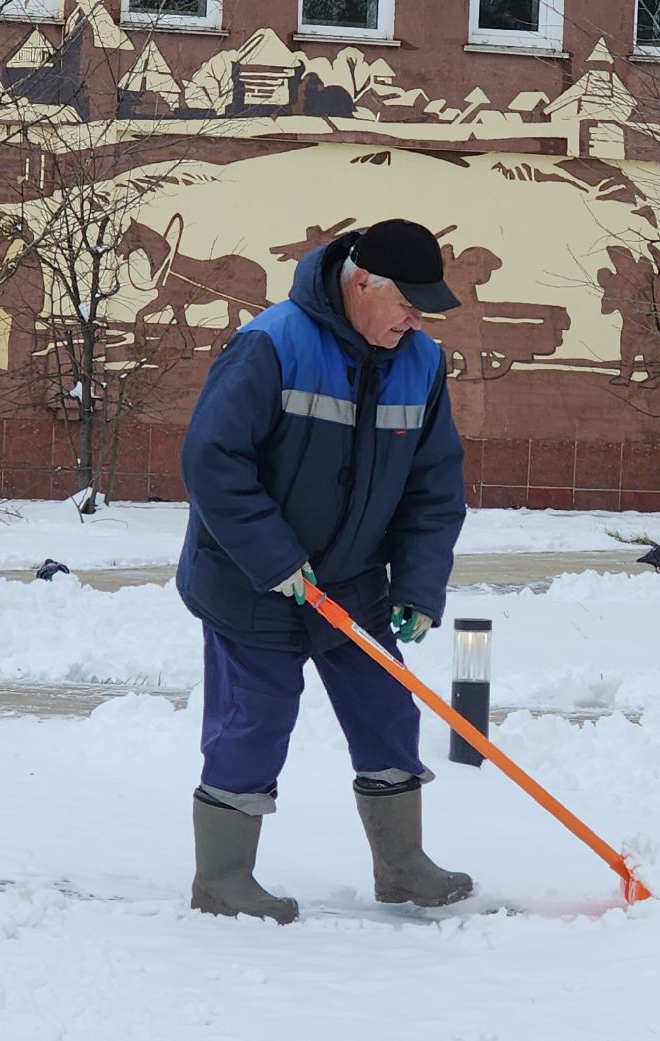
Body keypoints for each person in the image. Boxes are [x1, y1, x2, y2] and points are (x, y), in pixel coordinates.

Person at [176, 218, 471, 924]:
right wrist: (274, 558)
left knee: (387, 712)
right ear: (363, 282)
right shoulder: (272, 344)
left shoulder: (421, 364)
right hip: (251, 581)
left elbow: (433, 487)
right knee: (252, 724)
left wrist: (419, 585)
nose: (417, 321)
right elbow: (212, 461)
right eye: (408, 304)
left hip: (353, 585)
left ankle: (402, 866)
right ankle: (222, 880)